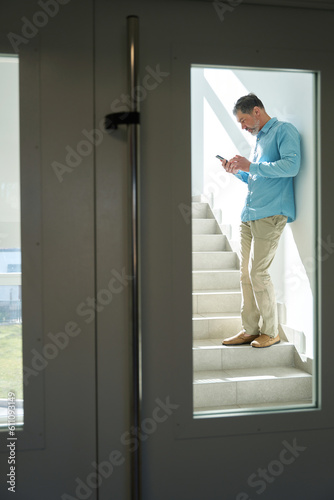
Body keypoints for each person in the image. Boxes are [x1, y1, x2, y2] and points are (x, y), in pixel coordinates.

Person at [221, 93, 301, 348]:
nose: (243, 127)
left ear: (257, 111)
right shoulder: (258, 141)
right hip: (250, 214)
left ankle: (271, 331)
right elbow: (257, 176)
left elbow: (291, 166)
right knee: (244, 274)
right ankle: (250, 329)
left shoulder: (283, 131)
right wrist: (238, 171)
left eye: (244, 120)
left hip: (271, 213)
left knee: (259, 272)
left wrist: (251, 166)